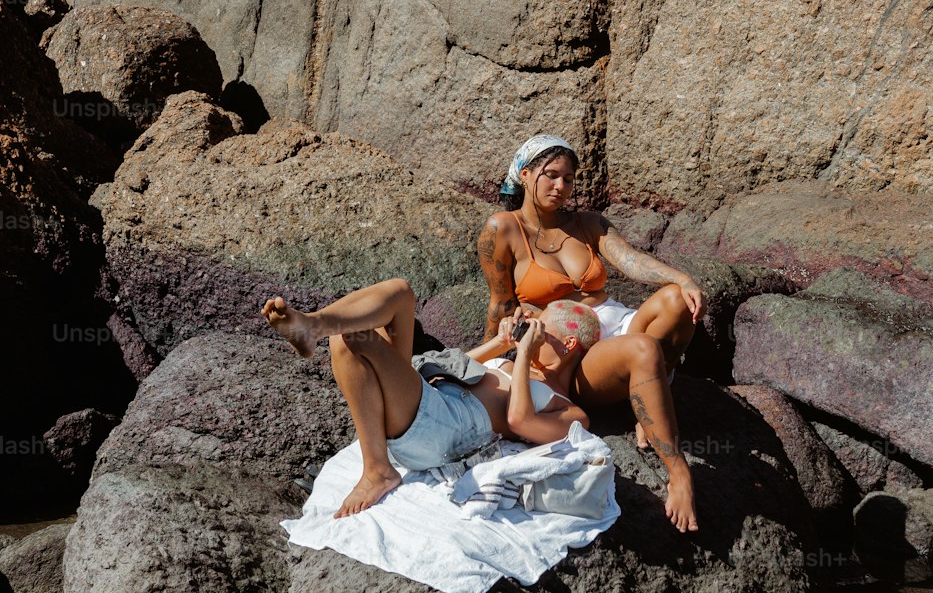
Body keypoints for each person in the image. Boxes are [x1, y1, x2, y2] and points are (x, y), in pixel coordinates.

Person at [476, 133, 703, 531]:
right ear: (525, 175)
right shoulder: (501, 229)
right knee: (643, 348)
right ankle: (678, 469)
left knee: (676, 301)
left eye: (568, 178)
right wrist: (488, 358)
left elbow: (631, 261)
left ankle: (652, 392)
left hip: (613, 319)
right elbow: (501, 303)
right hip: (573, 346)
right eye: (550, 176)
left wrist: (683, 279)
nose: (560, 186)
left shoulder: (588, 223)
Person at [261, 279, 598, 518]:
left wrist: (524, 354)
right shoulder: (513, 363)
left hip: (446, 426)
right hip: (431, 389)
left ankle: (377, 470)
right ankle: (313, 325)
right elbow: (461, 364)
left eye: (541, 329)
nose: (532, 330)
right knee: (400, 293)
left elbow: (519, 420)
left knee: (348, 339)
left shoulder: (570, 410)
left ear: (567, 345)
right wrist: (501, 345)